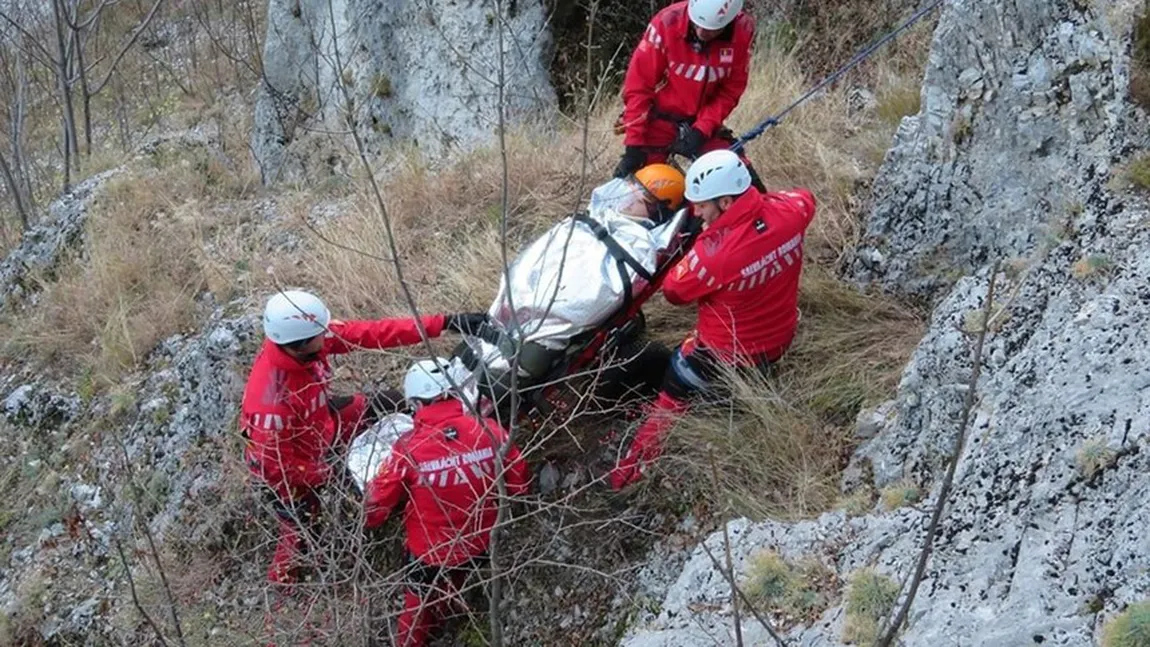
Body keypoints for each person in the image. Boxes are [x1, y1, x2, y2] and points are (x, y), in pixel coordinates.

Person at [241, 290, 488, 586]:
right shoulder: (271, 406)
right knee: (300, 529)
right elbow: (277, 467)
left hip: (321, 423)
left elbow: (374, 333)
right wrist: (329, 473)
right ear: (300, 344)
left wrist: (445, 323)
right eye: (322, 332)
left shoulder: (305, 342)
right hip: (292, 468)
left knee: (390, 402)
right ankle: (284, 586)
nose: (329, 334)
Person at [608, 149, 816, 490]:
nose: (695, 211)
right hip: (779, 338)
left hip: (724, 355)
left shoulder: (715, 255)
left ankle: (632, 469)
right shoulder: (791, 212)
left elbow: (674, 293)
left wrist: (706, 241)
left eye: (702, 204)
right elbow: (805, 199)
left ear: (727, 202)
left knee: (676, 383)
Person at [363, 358, 531, 647]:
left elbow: (378, 503)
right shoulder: (490, 429)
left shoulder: (408, 449)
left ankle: (412, 640)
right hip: (482, 541)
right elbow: (518, 480)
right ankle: (449, 610)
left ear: (416, 402)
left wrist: (369, 522)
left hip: (430, 551)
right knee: (458, 577)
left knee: (415, 606)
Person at [613, 0, 765, 192]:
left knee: (741, 181)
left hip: (702, 123)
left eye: (711, 30)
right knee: (638, 189)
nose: (701, 33)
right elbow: (639, 87)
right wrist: (634, 145)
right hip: (659, 120)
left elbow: (730, 90)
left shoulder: (741, 31)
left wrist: (702, 129)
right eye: (698, 25)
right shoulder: (667, 24)